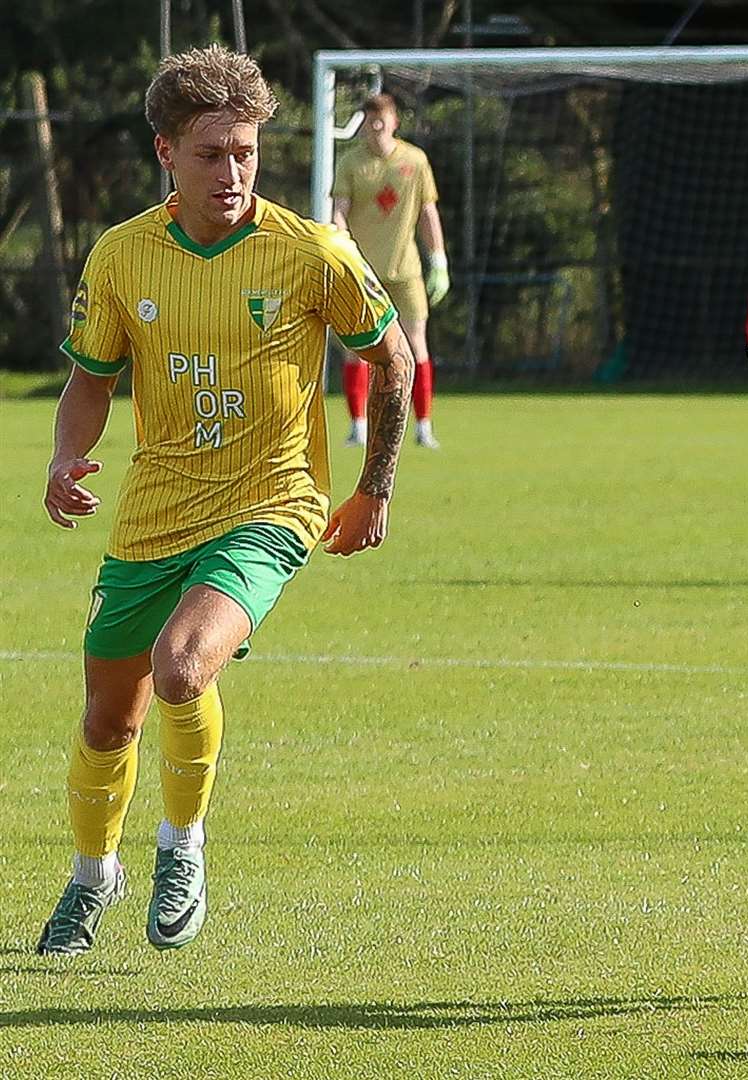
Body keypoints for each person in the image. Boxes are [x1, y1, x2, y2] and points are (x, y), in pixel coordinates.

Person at [37, 45, 414, 956]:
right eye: (212, 154)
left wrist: (373, 489)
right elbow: (92, 378)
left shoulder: (311, 250)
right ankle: (92, 878)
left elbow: (394, 361)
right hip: (153, 510)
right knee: (106, 717)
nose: (234, 172)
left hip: (269, 503)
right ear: (167, 152)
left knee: (180, 666)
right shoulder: (123, 257)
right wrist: (64, 455)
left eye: (246, 152)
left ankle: (182, 848)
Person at [332, 93, 448, 450]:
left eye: (383, 118)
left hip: (406, 271)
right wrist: (339, 247)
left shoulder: (415, 160)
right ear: (364, 122)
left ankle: (423, 426)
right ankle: (358, 426)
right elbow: (339, 210)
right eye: (370, 118)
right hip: (364, 274)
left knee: (416, 346)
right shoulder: (351, 162)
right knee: (358, 348)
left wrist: (439, 258)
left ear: (395, 121)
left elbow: (428, 213)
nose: (377, 124)